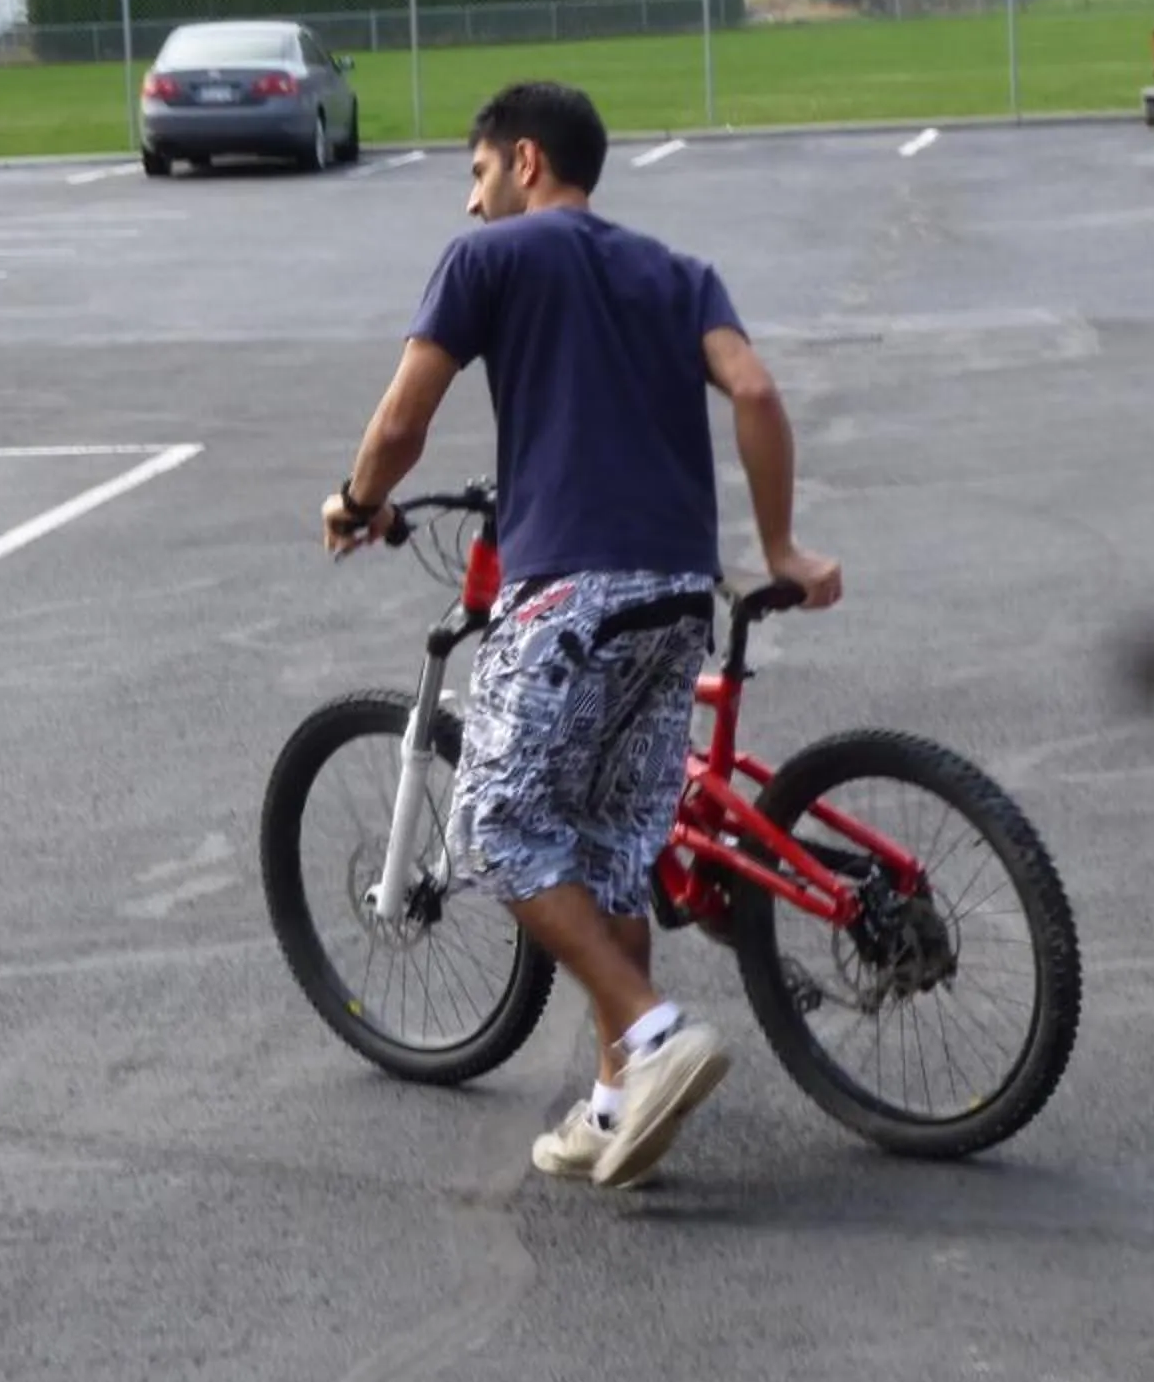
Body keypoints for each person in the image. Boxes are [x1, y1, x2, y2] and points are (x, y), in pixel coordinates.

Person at [321, 82, 840, 1190]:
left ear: (523, 160)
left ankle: (653, 1032)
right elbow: (751, 386)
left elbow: (405, 417)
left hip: (572, 594)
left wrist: (358, 497)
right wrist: (781, 544)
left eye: (475, 177)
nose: (470, 206)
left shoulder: (490, 263)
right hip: (673, 601)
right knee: (610, 849)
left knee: (498, 828)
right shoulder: (673, 270)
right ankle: (614, 1106)